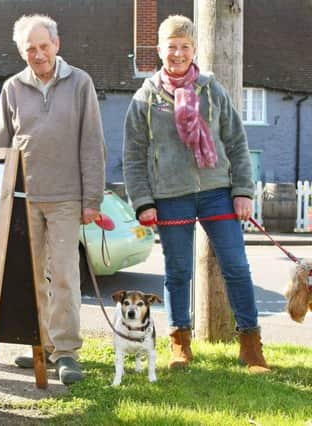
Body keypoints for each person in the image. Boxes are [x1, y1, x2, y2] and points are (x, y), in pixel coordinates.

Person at [122, 15, 269, 373]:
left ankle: (251, 346)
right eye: (171, 46)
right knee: (177, 272)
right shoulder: (145, 98)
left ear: (194, 50)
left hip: (218, 191)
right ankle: (179, 345)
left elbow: (236, 141)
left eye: (185, 46)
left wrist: (242, 191)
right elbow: (133, 154)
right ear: (159, 50)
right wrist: (143, 201)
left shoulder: (211, 89)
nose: (178, 53)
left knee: (236, 267)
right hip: (171, 194)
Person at [0, 14, 106, 385]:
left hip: (66, 199)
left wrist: (92, 199)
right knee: (29, 280)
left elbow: (92, 143)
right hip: (24, 198)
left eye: (44, 46)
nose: (38, 54)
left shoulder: (80, 83)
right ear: (21, 51)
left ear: (57, 45)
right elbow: (3, 146)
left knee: (63, 277)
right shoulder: (11, 87)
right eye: (30, 49)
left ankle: (67, 351)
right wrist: (0, 197)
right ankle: (39, 345)